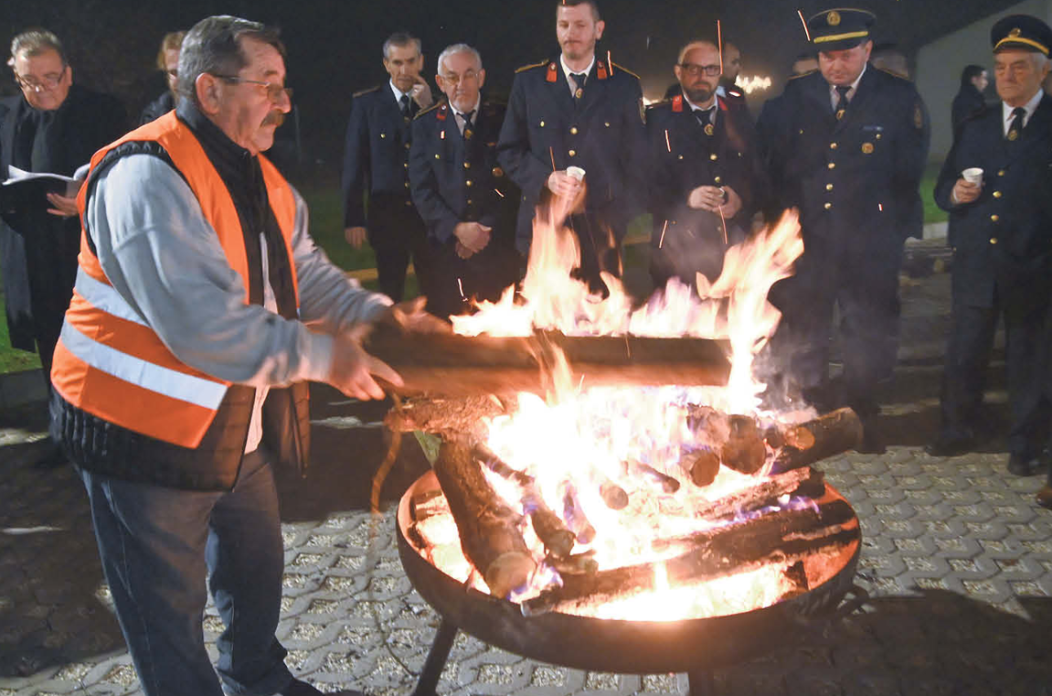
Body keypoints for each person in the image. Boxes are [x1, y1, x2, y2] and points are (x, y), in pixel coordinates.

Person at [48, 15, 442, 696]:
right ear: (209, 90)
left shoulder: (254, 172)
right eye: (268, 86)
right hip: (138, 442)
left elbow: (304, 272)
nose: (285, 103)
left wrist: (375, 320)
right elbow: (201, 327)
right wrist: (326, 358)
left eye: (283, 86)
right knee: (166, 613)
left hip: (230, 426)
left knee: (256, 567)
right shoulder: (146, 179)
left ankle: (255, 677)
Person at [761, 8, 930, 451]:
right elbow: (776, 168)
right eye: (827, 56)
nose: (835, 65)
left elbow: (907, 172)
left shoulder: (896, 97)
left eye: (846, 55)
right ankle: (813, 419)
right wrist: (784, 229)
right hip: (811, 242)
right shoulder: (795, 98)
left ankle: (862, 416)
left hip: (868, 244)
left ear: (867, 50)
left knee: (867, 335)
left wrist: (887, 231)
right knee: (808, 334)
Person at [926, 16, 1052, 483]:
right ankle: (958, 429)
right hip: (978, 260)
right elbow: (944, 187)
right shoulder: (977, 125)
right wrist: (955, 195)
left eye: (1020, 67)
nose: (1007, 76)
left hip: (1033, 262)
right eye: (1001, 67)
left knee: (1030, 360)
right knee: (964, 352)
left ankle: (1025, 445)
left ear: (1044, 71)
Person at [0, 29, 126, 465]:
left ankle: (109, 436)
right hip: (33, 254)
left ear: (68, 74)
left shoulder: (103, 112)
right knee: (51, 344)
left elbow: (131, 176)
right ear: (15, 77)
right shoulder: (6, 114)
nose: (41, 89)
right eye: (30, 80)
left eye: (51, 77)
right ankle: (62, 437)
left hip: (87, 251)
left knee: (98, 341)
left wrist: (85, 199)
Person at [497, 0, 647, 296]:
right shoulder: (529, 83)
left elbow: (637, 161)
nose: (570, 33)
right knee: (543, 331)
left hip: (601, 235)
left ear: (598, 30)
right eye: (563, 25)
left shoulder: (623, 86)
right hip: (543, 231)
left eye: (580, 25)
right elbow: (508, 150)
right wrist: (546, 177)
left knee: (603, 328)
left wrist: (617, 214)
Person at [409, 43, 520, 319]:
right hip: (447, 254)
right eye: (452, 77)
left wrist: (484, 229)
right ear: (440, 82)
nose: (461, 84)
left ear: (481, 77)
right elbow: (422, 191)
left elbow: (516, 181)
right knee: (451, 345)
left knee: (505, 342)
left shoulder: (505, 119)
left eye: (468, 75)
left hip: (498, 251)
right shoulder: (424, 126)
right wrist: (458, 230)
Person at [646, 39, 766, 288]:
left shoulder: (739, 115)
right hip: (676, 255)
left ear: (719, 72)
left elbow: (758, 172)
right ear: (678, 72)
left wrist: (740, 198)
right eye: (694, 69)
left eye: (711, 69)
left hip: (732, 252)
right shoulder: (658, 120)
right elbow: (642, 182)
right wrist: (687, 199)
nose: (702, 76)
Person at [342, 31, 435, 303]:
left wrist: (428, 108)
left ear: (421, 62)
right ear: (386, 64)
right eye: (397, 63)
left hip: (428, 215)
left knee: (436, 289)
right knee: (390, 291)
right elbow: (354, 164)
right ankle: (392, 345)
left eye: (410, 61)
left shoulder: (437, 103)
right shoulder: (368, 104)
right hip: (388, 214)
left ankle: (438, 345)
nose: (404, 70)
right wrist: (354, 218)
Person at [140, 31, 185, 124]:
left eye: (187, 71)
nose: (182, 79)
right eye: (174, 72)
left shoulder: (221, 115)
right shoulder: (154, 117)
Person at [951, 64, 989, 138]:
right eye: (983, 78)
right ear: (974, 80)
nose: (986, 82)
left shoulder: (962, 99)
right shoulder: (973, 102)